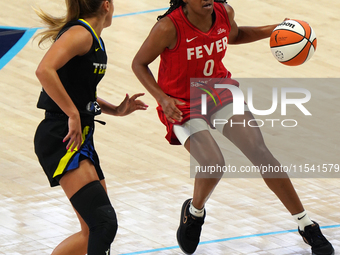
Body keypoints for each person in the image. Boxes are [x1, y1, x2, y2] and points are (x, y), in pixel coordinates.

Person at [132, 0, 334, 254]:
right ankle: (194, 213)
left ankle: (306, 225)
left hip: (218, 92)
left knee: (260, 153)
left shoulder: (223, 12)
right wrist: (162, 98)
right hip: (181, 103)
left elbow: (235, 34)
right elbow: (139, 63)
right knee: (213, 164)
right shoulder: (167, 28)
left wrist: (273, 29)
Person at [33, 1, 148, 254]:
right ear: (106, 5)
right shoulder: (81, 34)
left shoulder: (93, 38)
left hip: (79, 135)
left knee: (92, 232)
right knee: (103, 224)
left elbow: (79, 92)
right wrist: (72, 114)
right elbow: (44, 70)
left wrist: (116, 110)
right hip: (61, 135)